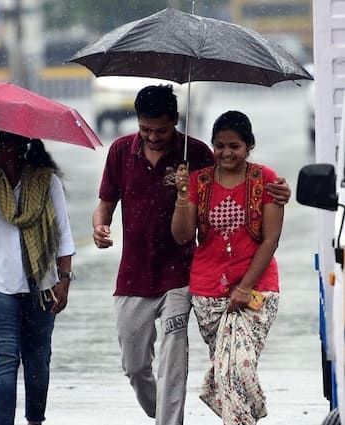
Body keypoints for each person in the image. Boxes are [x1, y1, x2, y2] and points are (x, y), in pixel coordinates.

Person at [91, 85, 290, 425]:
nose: (153, 136)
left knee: (173, 359)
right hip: (134, 275)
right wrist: (100, 227)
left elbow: (236, 173)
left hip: (180, 276)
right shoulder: (121, 151)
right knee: (135, 365)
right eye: (145, 129)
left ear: (175, 121)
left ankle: (171, 421)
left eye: (161, 129)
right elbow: (105, 204)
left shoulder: (195, 153)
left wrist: (280, 191)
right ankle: (163, 411)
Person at [0, 128, 75, 425]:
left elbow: (63, 234)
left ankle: (35, 420)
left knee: (37, 362)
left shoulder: (48, 183)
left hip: (41, 286)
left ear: (12, 148)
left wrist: (64, 280)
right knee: (4, 360)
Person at [171, 110, 282, 424]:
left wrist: (245, 288)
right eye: (219, 145)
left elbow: (271, 239)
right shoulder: (199, 181)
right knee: (226, 370)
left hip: (257, 290)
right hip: (208, 292)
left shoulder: (266, 180)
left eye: (234, 146)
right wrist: (181, 193)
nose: (226, 153)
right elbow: (181, 236)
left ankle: (239, 418)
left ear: (248, 146)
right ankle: (247, 412)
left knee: (238, 367)